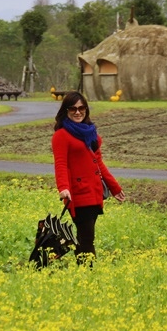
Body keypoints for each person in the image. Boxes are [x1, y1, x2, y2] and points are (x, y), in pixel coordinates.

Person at [51, 91, 125, 265]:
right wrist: (63, 188)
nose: (78, 112)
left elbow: (99, 163)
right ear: (66, 110)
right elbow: (60, 164)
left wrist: (114, 188)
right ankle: (89, 273)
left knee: (84, 236)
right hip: (77, 194)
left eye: (81, 108)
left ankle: (83, 271)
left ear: (86, 109)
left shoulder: (91, 134)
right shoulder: (61, 136)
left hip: (94, 192)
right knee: (87, 237)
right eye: (73, 108)